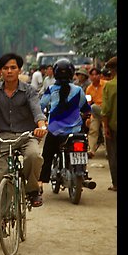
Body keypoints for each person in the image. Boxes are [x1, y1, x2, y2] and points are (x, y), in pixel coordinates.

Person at [0, 53, 48, 238]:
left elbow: (37, 111)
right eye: (6, 68)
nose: (9, 71)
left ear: (19, 70)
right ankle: (0, 219)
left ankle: (32, 190)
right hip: (2, 138)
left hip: (26, 136)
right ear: (0, 71)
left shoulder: (29, 91)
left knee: (33, 156)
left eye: (13, 68)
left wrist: (41, 126)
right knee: (1, 177)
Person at [38, 58, 91, 194]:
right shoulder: (78, 90)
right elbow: (86, 108)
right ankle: (83, 172)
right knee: (83, 148)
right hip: (75, 132)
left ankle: (40, 182)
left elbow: (40, 106)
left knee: (47, 155)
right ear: (72, 73)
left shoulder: (51, 90)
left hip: (55, 132)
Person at [101, 56, 117, 192]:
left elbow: (105, 110)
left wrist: (105, 127)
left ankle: (116, 184)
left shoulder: (109, 86)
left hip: (113, 126)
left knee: (113, 155)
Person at [85, 67, 105, 158]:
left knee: (105, 131)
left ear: (100, 75)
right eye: (92, 75)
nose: (94, 77)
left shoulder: (105, 85)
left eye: (96, 74)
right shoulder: (89, 89)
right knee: (93, 130)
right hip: (96, 112)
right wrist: (88, 117)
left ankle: (109, 152)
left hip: (105, 110)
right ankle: (91, 151)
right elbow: (88, 103)